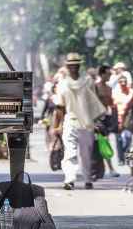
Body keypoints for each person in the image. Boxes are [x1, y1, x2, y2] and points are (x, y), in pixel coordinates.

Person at [53, 53, 106, 190]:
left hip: (86, 122)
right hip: (71, 120)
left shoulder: (88, 81)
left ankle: (87, 179)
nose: (73, 68)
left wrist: (96, 122)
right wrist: (57, 125)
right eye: (71, 66)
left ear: (79, 66)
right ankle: (69, 179)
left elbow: (93, 102)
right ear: (67, 67)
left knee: (86, 153)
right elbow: (60, 107)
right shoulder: (63, 84)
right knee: (70, 152)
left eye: (75, 65)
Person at [94, 65, 120, 177]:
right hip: (96, 119)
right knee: (97, 144)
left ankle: (110, 168)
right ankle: (100, 168)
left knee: (104, 143)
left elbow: (110, 103)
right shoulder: (95, 87)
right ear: (102, 74)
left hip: (106, 118)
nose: (110, 76)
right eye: (108, 74)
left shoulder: (109, 88)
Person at [112, 75, 133, 165]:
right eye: (121, 82)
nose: (123, 83)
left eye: (124, 81)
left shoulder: (131, 93)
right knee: (119, 140)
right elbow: (113, 106)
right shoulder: (115, 93)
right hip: (118, 118)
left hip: (128, 119)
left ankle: (127, 157)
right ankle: (121, 159)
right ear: (119, 83)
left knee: (128, 139)